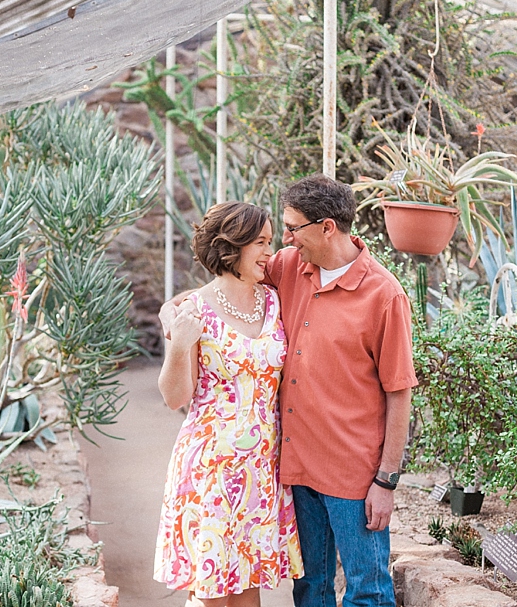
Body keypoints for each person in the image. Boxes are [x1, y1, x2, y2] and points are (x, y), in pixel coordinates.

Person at [162, 175, 416, 607]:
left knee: (368, 591)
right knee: (310, 590)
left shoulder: (384, 295)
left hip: (353, 473)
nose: (283, 239)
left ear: (326, 228)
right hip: (293, 471)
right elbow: (218, 286)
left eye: (292, 227)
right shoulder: (288, 266)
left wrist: (386, 481)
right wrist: (174, 316)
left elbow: (399, 393)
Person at [154, 201, 304, 607]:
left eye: (270, 241)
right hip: (210, 468)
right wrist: (179, 347)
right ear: (230, 247)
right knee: (211, 596)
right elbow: (174, 398)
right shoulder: (194, 310)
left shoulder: (274, 301)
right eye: (260, 242)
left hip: (262, 467)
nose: (269, 251)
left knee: (247, 588)